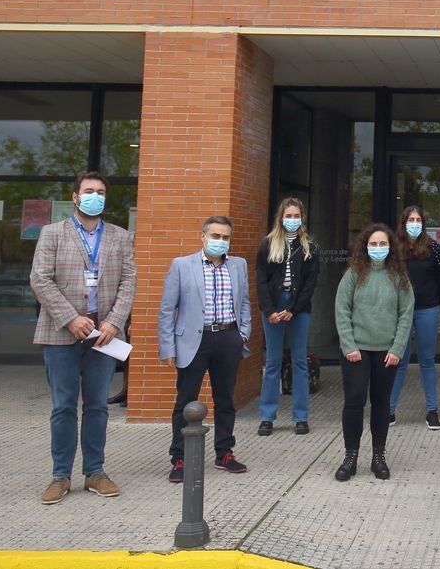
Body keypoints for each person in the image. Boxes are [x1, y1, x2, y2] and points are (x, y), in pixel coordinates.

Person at [30, 171, 135, 504]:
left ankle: (95, 472)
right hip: (62, 332)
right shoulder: (52, 234)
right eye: (89, 191)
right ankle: (60, 476)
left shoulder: (120, 237)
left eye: (101, 192)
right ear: (75, 197)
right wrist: (70, 318)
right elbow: (41, 280)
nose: (95, 196)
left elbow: (128, 283)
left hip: (102, 336)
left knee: (97, 407)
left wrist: (114, 322)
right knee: (63, 406)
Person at [159, 216, 253, 483]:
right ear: (203, 237)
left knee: (225, 400)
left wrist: (242, 334)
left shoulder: (238, 265)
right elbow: (167, 309)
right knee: (185, 401)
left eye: (225, 237)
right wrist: (168, 347)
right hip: (193, 342)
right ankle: (179, 457)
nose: (220, 241)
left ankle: (225, 453)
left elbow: (244, 302)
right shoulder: (182, 265)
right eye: (215, 236)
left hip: (227, 338)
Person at [332, 223, 414, 481]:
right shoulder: (353, 274)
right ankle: (351, 456)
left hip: (387, 352)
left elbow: (406, 314)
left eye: (383, 244)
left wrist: (398, 348)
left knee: (381, 404)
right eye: (373, 244)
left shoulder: (399, 276)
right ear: (364, 247)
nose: (378, 248)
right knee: (354, 403)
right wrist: (349, 345)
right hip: (356, 351)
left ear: (390, 247)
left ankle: (378, 456)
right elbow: (341, 310)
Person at [254, 197, 320, 437]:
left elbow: (310, 284)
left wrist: (293, 308)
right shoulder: (268, 245)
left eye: (296, 216)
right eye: (288, 216)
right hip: (273, 306)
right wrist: (270, 310)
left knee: (299, 361)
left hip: (298, 308)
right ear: (281, 217)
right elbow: (261, 281)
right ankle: (267, 416)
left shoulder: (310, 247)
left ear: (302, 218)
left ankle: (301, 417)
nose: (292, 220)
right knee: (272, 362)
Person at [390, 205, 440, 430]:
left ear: (423, 223)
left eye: (418, 219)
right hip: (401, 313)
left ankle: (432, 411)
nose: (414, 223)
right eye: (410, 219)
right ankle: (389, 410)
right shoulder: (394, 248)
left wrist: (435, 300)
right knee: (398, 360)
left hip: (427, 310)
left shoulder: (433, 247)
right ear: (403, 222)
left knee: (427, 361)